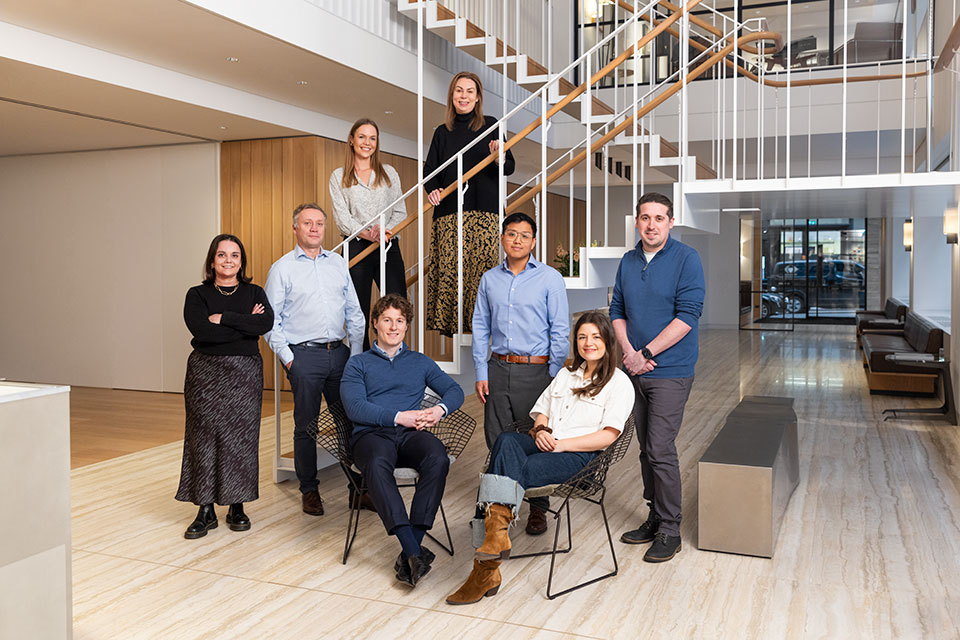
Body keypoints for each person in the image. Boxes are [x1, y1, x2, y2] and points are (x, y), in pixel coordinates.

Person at [446, 311, 634, 604]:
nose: (588, 343)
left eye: (596, 337)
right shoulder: (566, 374)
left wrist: (562, 445)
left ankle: (484, 568)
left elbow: (608, 436)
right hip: (548, 442)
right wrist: (542, 429)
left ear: (608, 341)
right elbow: (542, 409)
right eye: (582, 337)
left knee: (513, 467)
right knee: (506, 441)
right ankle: (495, 539)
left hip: (580, 458)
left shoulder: (618, 383)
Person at [340, 294, 465, 588]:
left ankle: (411, 550)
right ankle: (412, 549)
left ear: (407, 326)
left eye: (400, 321)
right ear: (375, 324)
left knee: (437, 456)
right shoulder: (358, 364)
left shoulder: (420, 362)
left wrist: (438, 410)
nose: (393, 327)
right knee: (376, 462)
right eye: (387, 320)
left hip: (411, 436)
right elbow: (355, 408)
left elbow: (454, 391)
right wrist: (400, 416)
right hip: (371, 436)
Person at [610, 192, 705, 563]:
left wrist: (646, 354)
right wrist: (630, 354)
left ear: (670, 222)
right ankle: (654, 515)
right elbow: (617, 308)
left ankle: (670, 529)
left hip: (671, 371)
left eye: (659, 218)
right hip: (634, 370)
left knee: (661, 448)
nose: (652, 225)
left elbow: (688, 315)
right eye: (645, 218)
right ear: (637, 221)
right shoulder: (628, 261)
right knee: (646, 449)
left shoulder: (687, 259)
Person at [264, 203, 367, 516]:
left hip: (340, 354)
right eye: (307, 223)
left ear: (325, 228)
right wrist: (289, 358)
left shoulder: (337, 263)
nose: (314, 229)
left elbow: (354, 311)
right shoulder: (282, 268)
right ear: (295, 228)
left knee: (350, 422)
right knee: (306, 427)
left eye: (319, 223)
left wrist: (357, 355)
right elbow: (270, 321)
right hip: (304, 357)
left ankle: (357, 489)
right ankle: (309, 490)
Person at [472, 211, 569, 536]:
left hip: (538, 371)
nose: (517, 240)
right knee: (497, 438)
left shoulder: (549, 278)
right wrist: (481, 370)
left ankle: (538, 509)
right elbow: (481, 326)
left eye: (524, 235)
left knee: (535, 436)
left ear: (534, 240)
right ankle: (501, 510)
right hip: (498, 368)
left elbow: (560, 329)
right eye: (511, 234)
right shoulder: (489, 279)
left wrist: (554, 376)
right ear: (502, 238)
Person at [176, 234, 274, 539]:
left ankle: (237, 504)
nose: (228, 261)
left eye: (235, 255)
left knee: (241, 438)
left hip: (245, 373)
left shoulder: (254, 291)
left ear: (241, 262)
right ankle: (204, 510)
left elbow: (265, 324)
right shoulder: (197, 294)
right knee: (202, 437)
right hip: (205, 372)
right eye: (222, 255)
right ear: (212, 260)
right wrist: (244, 325)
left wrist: (225, 318)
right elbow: (201, 332)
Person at [423, 71, 515, 336]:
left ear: (477, 98)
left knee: (483, 274)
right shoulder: (442, 132)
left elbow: (509, 166)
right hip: (450, 213)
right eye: (459, 91)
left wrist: (498, 157)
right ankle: (455, 328)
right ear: (452, 96)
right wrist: (432, 189)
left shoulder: (492, 125)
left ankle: (484, 329)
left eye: (469, 91)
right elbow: (430, 171)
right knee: (453, 273)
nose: (464, 96)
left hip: (486, 212)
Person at [329, 117, 408, 351]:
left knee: (397, 305)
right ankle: (361, 360)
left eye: (372, 138)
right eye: (362, 137)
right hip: (355, 247)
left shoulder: (389, 173)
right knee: (358, 309)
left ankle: (395, 354)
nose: (367, 142)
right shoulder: (339, 176)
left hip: (387, 244)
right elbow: (343, 220)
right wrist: (368, 234)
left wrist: (384, 232)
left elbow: (400, 212)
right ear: (352, 140)